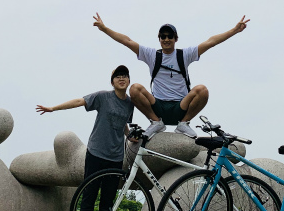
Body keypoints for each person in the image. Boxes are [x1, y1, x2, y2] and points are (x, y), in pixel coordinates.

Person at [92, 13, 249, 139]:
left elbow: (210, 42)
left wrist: (234, 30)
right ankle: (155, 122)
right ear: (159, 39)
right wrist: (104, 29)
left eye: (170, 36)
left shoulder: (184, 55)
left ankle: (184, 124)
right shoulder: (152, 55)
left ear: (176, 38)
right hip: (158, 106)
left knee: (202, 90)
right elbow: (127, 41)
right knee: (134, 89)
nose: (166, 39)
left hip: (180, 106)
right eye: (163, 36)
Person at [36, 65, 134, 211]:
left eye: (125, 76)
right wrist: (53, 108)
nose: (122, 78)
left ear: (129, 81)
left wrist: (129, 136)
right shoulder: (103, 97)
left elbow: (123, 125)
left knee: (108, 199)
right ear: (112, 81)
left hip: (116, 157)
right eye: (118, 76)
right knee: (90, 194)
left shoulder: (130, 103)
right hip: (96, 153)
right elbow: (79, 101)